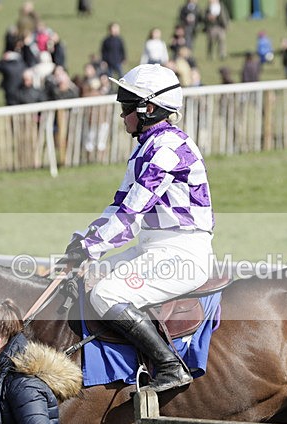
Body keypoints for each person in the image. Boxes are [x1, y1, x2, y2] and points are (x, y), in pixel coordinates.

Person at [63, 64, 214, 393]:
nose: (122, 114)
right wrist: (84, 242)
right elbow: (118, 206)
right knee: (92, 278)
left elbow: (131, 215)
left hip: (181, 252)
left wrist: (90, 247)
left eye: (126, 104)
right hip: (155, 247)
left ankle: (170, 367)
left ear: (148, 108)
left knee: (106, 294)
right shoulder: (145, 147)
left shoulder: (166, 148)